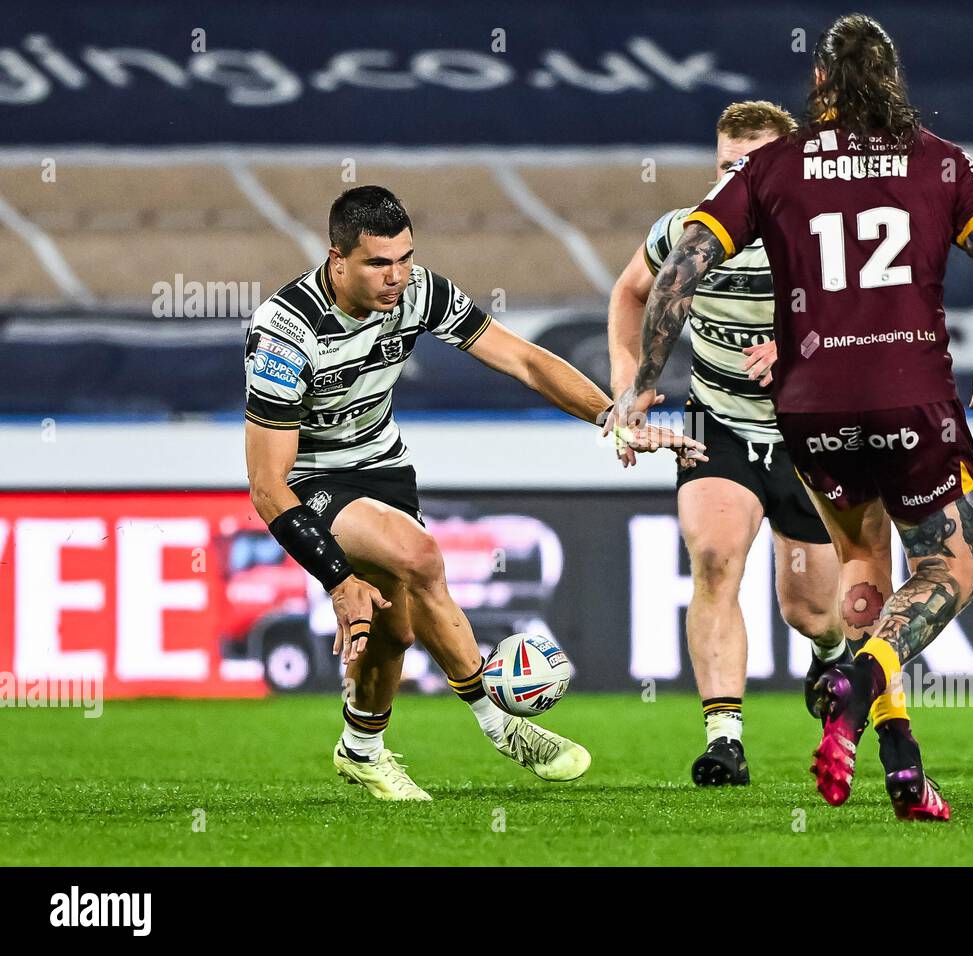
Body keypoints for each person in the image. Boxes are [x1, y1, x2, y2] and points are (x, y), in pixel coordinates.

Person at [607, 14, 973, 820]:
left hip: (811, 410)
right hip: (911, 399)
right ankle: (854, 682)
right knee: (947, 570)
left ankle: (900, 756)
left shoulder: (775, 169)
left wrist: (640, 385)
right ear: (894, 79)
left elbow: (676, 272)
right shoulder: (941, 161)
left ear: (821, 86)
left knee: (859, 571)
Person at [245, 185, 702, 800]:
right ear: (337, 259)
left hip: (384, 466)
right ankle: (498, 721)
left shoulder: (420, 293)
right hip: (313, 477)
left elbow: (523, 361)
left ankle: (360, 750)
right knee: (419, 556)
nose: (396, 276)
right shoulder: (284, 332)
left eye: (404, 258)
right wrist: (336, 580)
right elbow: (267, 485)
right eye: (379, 263)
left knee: (395, 629)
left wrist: (613, 416)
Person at [609, 100, 893, 786]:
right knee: (712, 558)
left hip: (813, 437)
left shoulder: (832, 239)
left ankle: (828, 656)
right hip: (718, 424)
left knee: (810, 611)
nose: (735, 178)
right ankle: (724, 740)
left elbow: (885, 328)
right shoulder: (686, 231)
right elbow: (630, 294)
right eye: (726, 165)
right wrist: (628, 388)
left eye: (753, 165)